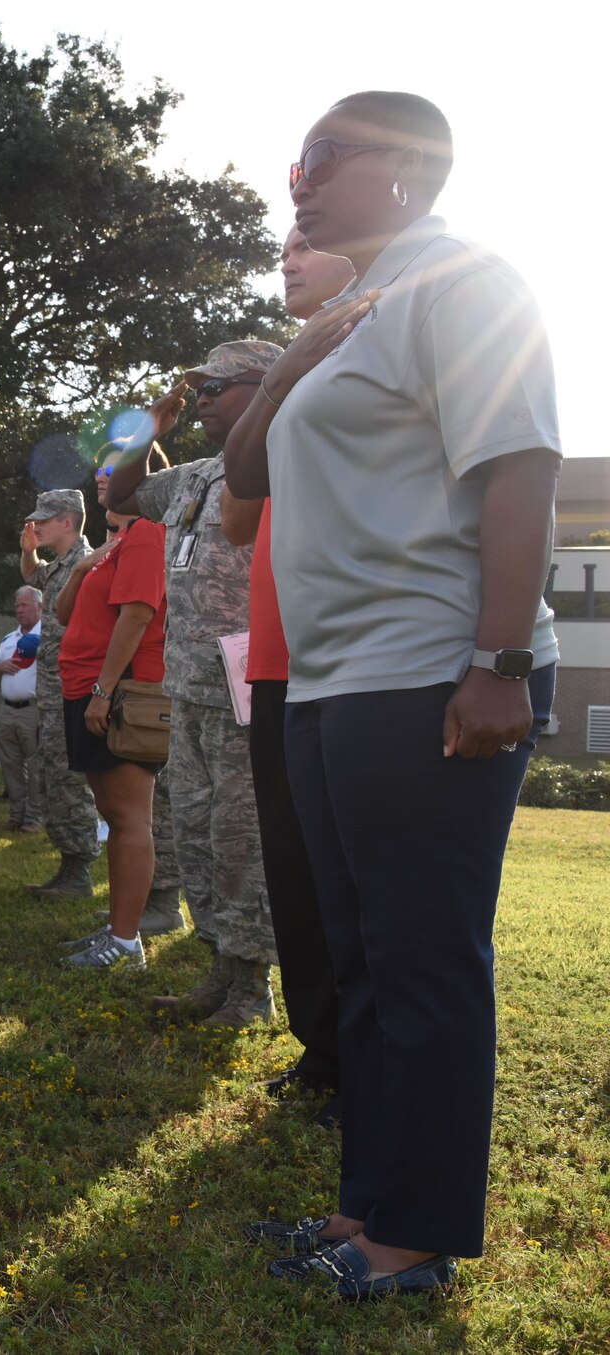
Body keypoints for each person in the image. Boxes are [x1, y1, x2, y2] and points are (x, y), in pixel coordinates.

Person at [228, 92, 559, 1296]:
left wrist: (501, 661)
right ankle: (365, 1199)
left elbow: (518, 469)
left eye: (320, 159)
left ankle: (414, 1229)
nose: (295, 183)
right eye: (293, 161)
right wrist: (289, 366)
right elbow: (243, 470)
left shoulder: (460, 284)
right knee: (357, 955)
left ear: (406, 169)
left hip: (428, 665)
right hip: (329, 680)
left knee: (419, 951)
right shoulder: (348, 311)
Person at [219, 228, 356, 1117]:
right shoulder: (302, 379)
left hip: (341, 657)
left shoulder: (365, 356)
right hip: (272, 661)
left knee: (346, 875)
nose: (288, 255)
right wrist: (276, 383)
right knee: (295, 868)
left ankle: (359, 1057)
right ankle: (324, 1049)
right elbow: (238, 512)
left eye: (309, 244)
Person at [107, 341, 283, 1016]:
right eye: (199, 388)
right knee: (196, 832)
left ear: (266, 386)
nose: (205, 398)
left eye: (219, 385)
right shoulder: (194, 475)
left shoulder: (283, 461)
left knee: (243, 838)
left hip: (249, 690)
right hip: (190, 687)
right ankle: (218, 963)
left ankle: (252, 982)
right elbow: (121, 492)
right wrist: (148, 429)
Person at [53, 471, 168, 970]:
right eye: (100, 470)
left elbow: (137, 616)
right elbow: (64, 615)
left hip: (117, 693)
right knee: (115, 818)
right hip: (88, 690)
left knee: (129, 820)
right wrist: (81, 570)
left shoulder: (145, 533)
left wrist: (104, 690)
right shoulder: (115, 543)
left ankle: (125, 944)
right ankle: (119, 933)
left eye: (116, 469)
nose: (104, 478)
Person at [18, 490, 100, 896]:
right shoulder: (59, 568)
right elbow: (32, 576)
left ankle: (79, 869)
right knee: (53, 773)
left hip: (74, 689)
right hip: (52, 691)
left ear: (68, 522)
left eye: (45, 521)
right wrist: (29, 551)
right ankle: (69, 864)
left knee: (70, 778)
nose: (37, 526)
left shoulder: (90, 564)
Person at [0, 587, 43, 831]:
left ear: (39, 607)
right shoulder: (8, 639)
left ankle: (34, 818)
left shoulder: (46, 637)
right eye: (17, 606)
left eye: (24, 605)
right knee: (10, 765)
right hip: (7, 710)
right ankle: (16, 815)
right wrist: (1, 666)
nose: (19, 610)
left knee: (35, 767)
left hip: (32, 711)